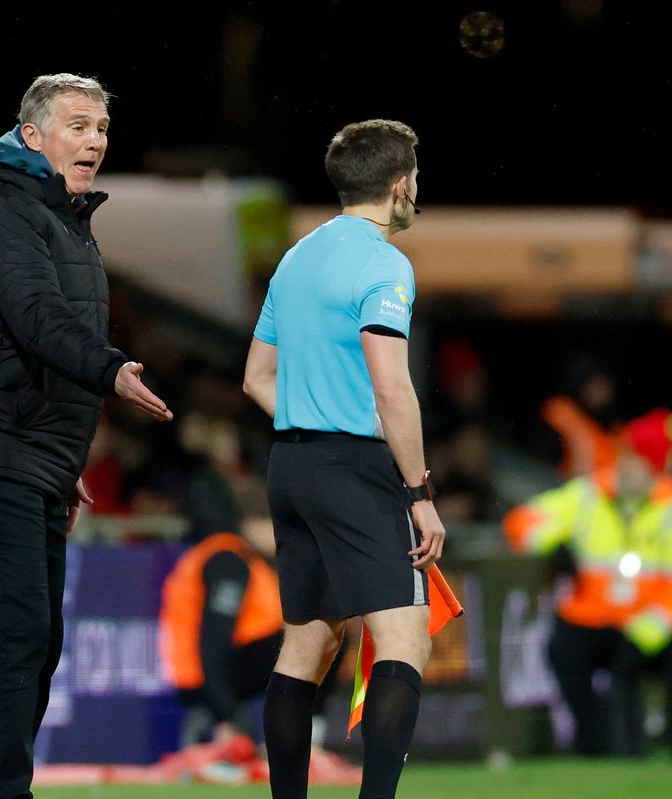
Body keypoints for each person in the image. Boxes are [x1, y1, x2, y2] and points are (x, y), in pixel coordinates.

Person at [0, 73, 173, 799]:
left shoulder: (60, 216)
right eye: (77, 124)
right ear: (32, 135)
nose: (94, 138)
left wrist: (64, 462)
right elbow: (35, 317)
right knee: (20, 639)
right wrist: (112, 370)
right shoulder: (1, 207)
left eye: (100, 126)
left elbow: (41, 348)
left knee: (40, 643)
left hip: (34, 457)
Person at [243, 119, 446, 799]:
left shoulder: (297, 257)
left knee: (308, 646)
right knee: (404, 639)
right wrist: (419, 491)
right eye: (415, 176)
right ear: (399, 184)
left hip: (291, 467)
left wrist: (310, 417)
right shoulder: (384, 262)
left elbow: (256, 377)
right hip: (354, 470)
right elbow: (392, 388)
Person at [503, 409, 672, 760]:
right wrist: (551, 546)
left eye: (639, 461)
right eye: (627, 456)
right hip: (595, 618)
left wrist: (644, 632)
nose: (628, 467)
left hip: (648, 626)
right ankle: (595, 745)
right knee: (562, 645)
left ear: (658, 468)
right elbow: (523, 522)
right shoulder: (588, 494)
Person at [160, 478, 284, 747]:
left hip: (212, 671)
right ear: (252, 522)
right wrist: (224, 713)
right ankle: (304, 737)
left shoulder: (230, 554)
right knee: (316, 638)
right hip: (208, 678)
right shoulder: (227, 559)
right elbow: (213, 638)